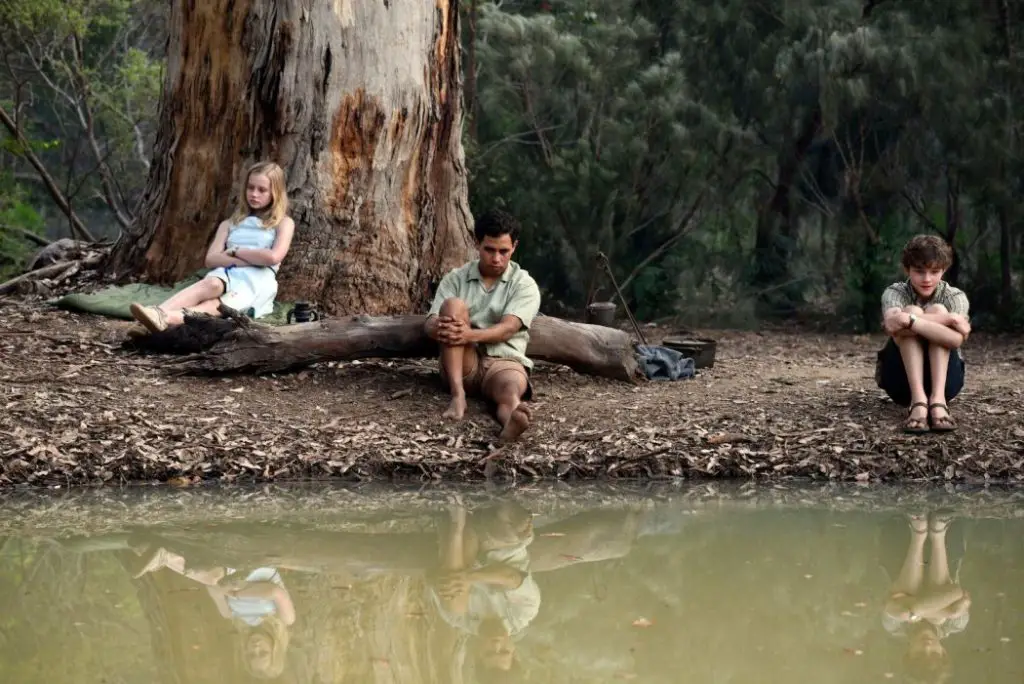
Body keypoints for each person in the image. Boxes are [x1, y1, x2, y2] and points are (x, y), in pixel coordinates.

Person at [129, 160, 296, 333]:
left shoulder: (283, 223)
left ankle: (164, 319)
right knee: (211, 284)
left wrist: (235, 251)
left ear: (275, 192)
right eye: (250, 188)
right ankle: (154, 314)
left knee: (216, 305)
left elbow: (273, 257)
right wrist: (253, 259)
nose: (254, 194)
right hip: (228, 272)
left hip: (257, 281)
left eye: (262, 190)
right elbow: (211, 259)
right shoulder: (231, 223)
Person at [425, 209, 541, 442]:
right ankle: (458, 396)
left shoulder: (524, 284)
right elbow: (429, 323)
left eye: (503, 251)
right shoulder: (456, 278)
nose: (496, 258)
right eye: (489, 250)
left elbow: (508, 328)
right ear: (477, 244)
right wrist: (444, 328)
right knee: (453, 306)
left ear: (514, 247)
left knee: (509, 392)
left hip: (505, 362)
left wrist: (469, 334)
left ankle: (511, 422)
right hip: (462, 363)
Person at [877, 235, 971, 433]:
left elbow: (955, 340)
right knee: (913, 310)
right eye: (919, 272)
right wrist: (950, 320)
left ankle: (937, 401)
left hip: (947, 384)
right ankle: (918, 401)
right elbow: (893, 325)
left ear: (943, 271)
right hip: (900, 382)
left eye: (934, 272)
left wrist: (910, 322)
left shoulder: (954, 297)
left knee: (936, 310)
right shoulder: (895, 292)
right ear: (907, 270)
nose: (927, 279)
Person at [880, 511, 970, 684]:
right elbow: (958, 592)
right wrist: (913, 611)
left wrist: (947, 611)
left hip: (899, 538)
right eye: (934, 653)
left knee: (909, 594)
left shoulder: (893, 627)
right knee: (918, 603)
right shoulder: (957, 625)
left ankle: (919, 532)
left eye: (920, 654)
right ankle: (937, 532)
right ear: (944, 652)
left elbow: (955, 596)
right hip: (949, 541)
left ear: (908, 652)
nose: (928, 646)